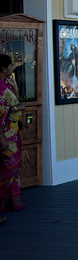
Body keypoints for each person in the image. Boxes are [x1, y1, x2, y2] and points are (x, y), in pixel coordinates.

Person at [0, 54, 23, 212]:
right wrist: (17, 108)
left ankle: (12, 201)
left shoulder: (5, 84)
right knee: (7, 168)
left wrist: (15, 88)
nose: (12, 69)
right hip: (5, 134)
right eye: (10, 67)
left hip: (12, 132)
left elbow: (15, 103)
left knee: (13, 168)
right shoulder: (1, 87)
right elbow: (10, 107)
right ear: (3, 69)